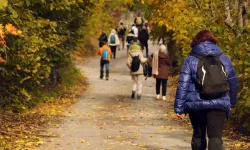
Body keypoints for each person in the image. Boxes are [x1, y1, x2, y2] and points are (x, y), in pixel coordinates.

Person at [174, 30, 238, 150]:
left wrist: (179, 108)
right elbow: (233, 83)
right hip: (219, 103)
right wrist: (232, 102)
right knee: (215, 137)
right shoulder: (224, 58)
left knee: (198, 135)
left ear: (195, 42)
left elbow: (183, 84)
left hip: (196, 104)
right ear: (213, 40)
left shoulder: (190, 59)